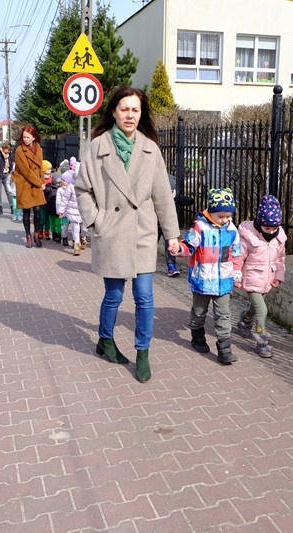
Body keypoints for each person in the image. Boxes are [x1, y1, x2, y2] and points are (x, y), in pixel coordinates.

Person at [76, 86, 181, 383]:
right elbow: (82, 189)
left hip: (142, 232)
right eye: (124, 109)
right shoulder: (98, 147)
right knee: (114, 295)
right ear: (114, 111)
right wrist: (97, 221)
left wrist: (172, 235)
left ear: (141, 113)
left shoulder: (150, 149)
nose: (130, 115)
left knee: (144, 296)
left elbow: (162, 196)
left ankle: (142, 351)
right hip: (111, 231)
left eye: (135, 109)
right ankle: (105, 339)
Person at [174, 187, 243, 365]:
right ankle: (197, 336)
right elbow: (189, 245)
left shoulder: (232, 230)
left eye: (228, 216)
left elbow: (236, 254)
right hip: (203, 280)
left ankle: (225, 349)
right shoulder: (200, 227)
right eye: (221, 216)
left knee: (223, 314)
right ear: (210, 212)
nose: (225, 220)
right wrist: (180, 249)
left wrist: (237, 274)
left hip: (224, 281)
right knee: (199, 312)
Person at [235, 195, 287, 357]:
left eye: (274, 228)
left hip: (267, 279)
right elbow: (238, 258)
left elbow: (280, 258)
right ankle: (262, 341)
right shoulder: (248, 237)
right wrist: (236, 276)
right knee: (262, 310)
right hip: (251, 278)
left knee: (255, 307)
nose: (271, 232)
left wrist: (278, 275)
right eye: (267, 228)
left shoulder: (279, 238)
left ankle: (245, 320)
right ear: (259, 224)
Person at [12, 125, 47, 248]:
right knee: (26, 211)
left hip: (36, 182)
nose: (25, 139)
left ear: (34, 137)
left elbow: (40, 168)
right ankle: (28, 236)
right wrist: (39, 183)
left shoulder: (39, 148)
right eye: (24, 137)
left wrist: (43, 182)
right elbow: (26, 171)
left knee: (37, 210)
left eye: (28, 137)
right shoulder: (19, 151)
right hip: (25, 183)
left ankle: (36, 234)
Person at [56, 169, 86, 256]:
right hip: (73, 212)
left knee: (84, 229)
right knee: (75, 229)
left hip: (84, 211)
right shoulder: (70, 187)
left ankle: (83, 238)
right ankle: (77, 245)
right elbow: (64, 199)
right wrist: (61, 211)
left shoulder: (86, 186)